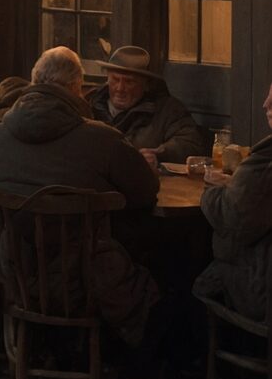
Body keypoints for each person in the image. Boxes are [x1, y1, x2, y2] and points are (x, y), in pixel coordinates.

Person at [0, 46, 161, 353]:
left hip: (15, 274)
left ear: (34, 80)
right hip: (84, 282)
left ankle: (54, 363)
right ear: (76, 88)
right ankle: (130, 376)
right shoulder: (101, 140)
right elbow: (145, 192)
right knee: (163, 270)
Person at [193, 81, 272, 321]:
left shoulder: (265, 161)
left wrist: (212, 190)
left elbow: (233, 219)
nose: (265, 104)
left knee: (190, 284)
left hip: (262, 288)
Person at [88, 45, 207, 167]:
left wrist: (159, 154)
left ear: (145, 84)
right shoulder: (89, 104)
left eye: (129, 82)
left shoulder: (167, 110)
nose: (120, 88)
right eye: (115, 80)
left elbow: (191, 144)